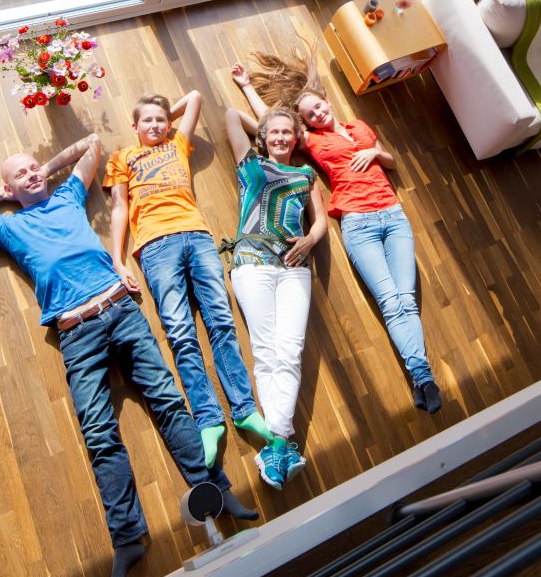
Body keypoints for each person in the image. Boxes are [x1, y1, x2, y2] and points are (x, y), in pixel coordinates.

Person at [0, 137, 256, 577]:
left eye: (33, 167)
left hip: (120, 309)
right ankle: (128, 539)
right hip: (76, 332)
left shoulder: (66, 195)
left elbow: (90, 145)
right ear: (9, 186)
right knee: (99, 433)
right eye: (20, 173)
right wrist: (1, 193)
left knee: (167, 402)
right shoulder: (7, 227)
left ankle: (214, 489)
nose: (31, 174)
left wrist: (45, 167)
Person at [232, 52, 443, 413]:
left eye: (319, 108)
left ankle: (422, 378)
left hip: (393, 215)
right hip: (357, 221)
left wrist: (375, 156)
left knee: (406, 298)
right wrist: (248, 87)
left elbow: (391, 161)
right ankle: (422, 376)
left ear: (328, 103)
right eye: (310, 116)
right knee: (391, 302)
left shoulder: (360, 128)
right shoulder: (312, 142)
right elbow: (270, 127)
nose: (318, 116)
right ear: (307, 124)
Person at [104, 91, 271, 466]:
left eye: (161, 120)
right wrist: (117, 260)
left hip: (197, 235)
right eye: (147, 121)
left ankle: (244, 409)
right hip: (154, 245)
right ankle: (210, 419)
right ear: (134, 127)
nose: (156, 125)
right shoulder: (122, 158)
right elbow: (119, 207)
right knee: (180, 333)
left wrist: (164, 116)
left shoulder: (178, 142)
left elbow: (196, 96)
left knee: (221, 322)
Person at [219, 86, 329, 488]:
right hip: (252, 263)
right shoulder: (250, 165)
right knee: (267, 352)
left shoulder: (305, 174)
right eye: (275, 133)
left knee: (291, 350)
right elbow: (233, 115)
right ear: (263, 138)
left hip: (295, 265)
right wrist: (268, 124)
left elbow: (320, 220)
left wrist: (311, 240)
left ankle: (276, 446)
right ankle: (281, 443)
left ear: (298, 139)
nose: (283, 138)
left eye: (289, 133)